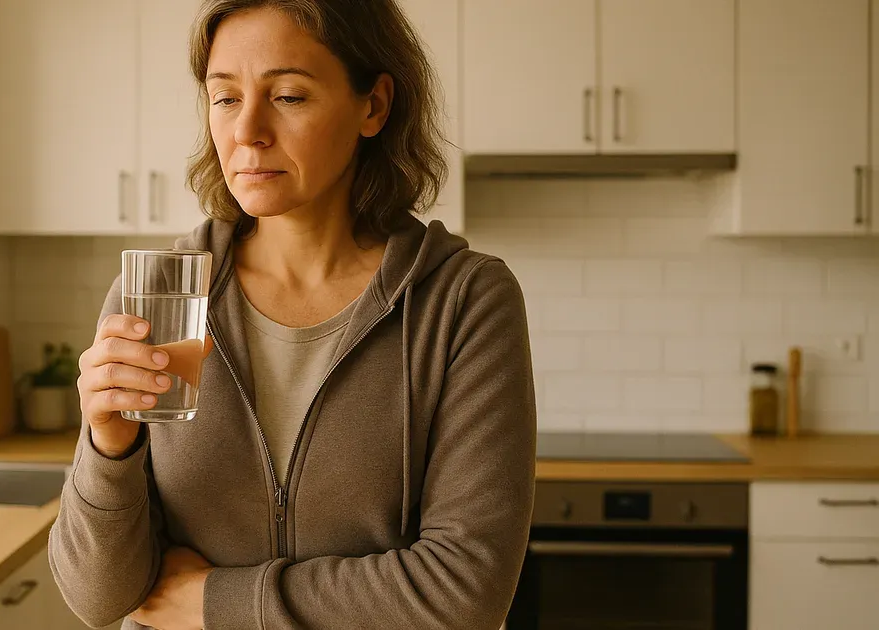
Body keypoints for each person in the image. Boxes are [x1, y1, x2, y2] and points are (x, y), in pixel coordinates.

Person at [48, 0, 536, 628]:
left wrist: (212, 602)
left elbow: (465, 593)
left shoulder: (462, 301)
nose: (247, 130)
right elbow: (98, 599)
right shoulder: (163, 295)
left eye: (289, 96)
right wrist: (108, 447)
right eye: (225, 98)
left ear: (374, 106)